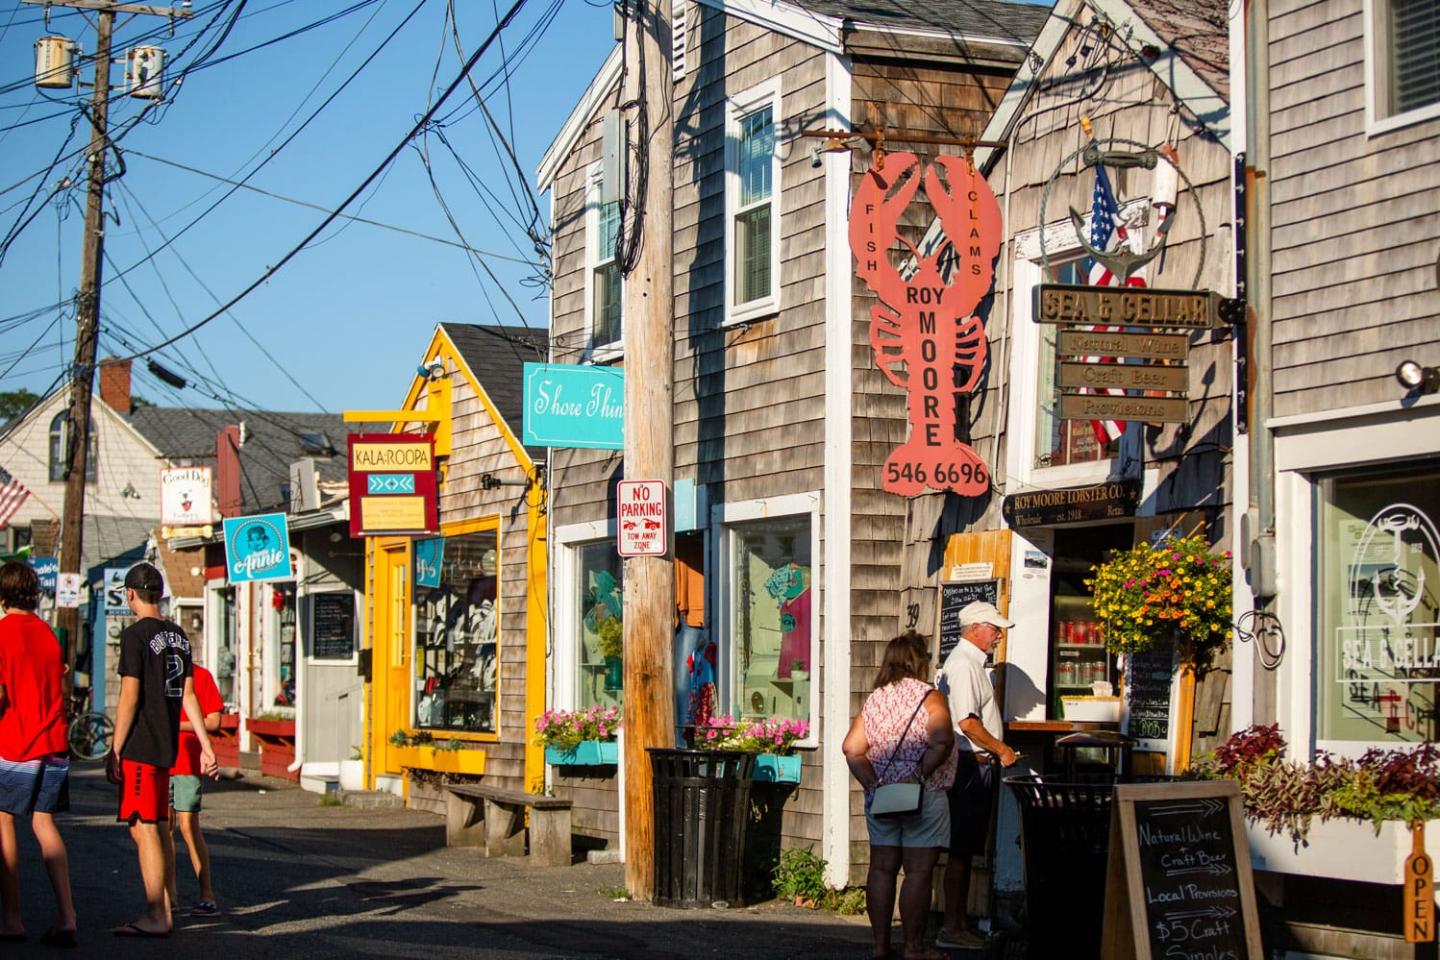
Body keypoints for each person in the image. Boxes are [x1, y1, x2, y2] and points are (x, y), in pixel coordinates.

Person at [109, 563, 218, 938]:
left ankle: (157, 912)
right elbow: (189, 695)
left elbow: (129, 695)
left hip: (141, 744)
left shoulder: (136, 636)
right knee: (155, 826)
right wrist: (206, 745)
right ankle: (164, 905)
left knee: (145, 827)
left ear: (130, 594)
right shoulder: (179, 636)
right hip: (167, 746)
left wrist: (115, 747)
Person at [842, 631, 956, 960]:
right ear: (918, 661)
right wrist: (918, 773)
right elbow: (942, 740)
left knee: (881, 868)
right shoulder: (930, 697)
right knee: (918, 870)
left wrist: (872, 784)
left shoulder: (876, 699)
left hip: (883, 797)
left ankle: (880, 946)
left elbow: (851, 748)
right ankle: (914, 948)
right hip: (924, 793)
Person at [0, 561, 77, 949]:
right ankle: (67, 916)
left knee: (4, 823)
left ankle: (12, 918)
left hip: (15, 743)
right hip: (55, 743)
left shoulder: (2, 634)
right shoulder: (49, 635)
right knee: (44, 825)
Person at [935, 602, 1019, 951]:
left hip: (972, 763)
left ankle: (957, 923)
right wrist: (1001, 749)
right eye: (993, 627)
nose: (998, 635)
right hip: (970, 763)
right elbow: (967, 723)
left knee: (964, 849)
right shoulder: (964, 664)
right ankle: (952, 926)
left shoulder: (968, 662)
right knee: (961, 848)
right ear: (974, 628)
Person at [162, 661, 223, 917]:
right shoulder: (157, 673)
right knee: (164, 827)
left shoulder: (201, 675)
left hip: (187, 761)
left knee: (188, 825)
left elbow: (213, 721)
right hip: (160, 759)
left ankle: (206, 894)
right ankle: (169, 895)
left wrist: (176, 724)